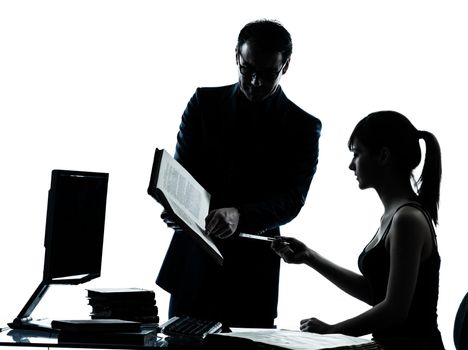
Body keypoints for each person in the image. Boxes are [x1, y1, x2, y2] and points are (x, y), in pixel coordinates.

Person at [156, 19, 321, 328]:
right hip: (193, 266)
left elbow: (292, 200)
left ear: (286, 65)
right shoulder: (203, 104)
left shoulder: (302, 126)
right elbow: (183, 174)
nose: (256, 81)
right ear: (236, 57)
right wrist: (174, 206)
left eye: (268, 73)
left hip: (252, 273)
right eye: (248, 69)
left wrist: (239, 215)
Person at [272, 111, 445, 349]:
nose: (351, 165)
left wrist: (332, 332)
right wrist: (310, 257)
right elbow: (376, 293)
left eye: (357, 153)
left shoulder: (407, 219)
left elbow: (395, 309)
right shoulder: (394, 217)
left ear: (383, 156)